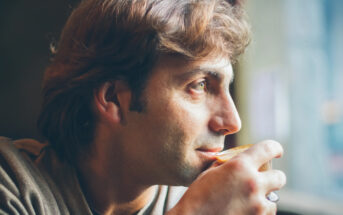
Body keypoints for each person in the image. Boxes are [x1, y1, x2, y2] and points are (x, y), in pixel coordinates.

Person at [0, 0, 286, 214]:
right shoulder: (12, 186)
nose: (232, 121)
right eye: (199, 85)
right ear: (112, 99)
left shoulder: (216, 199)